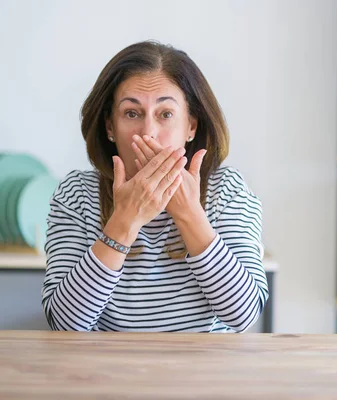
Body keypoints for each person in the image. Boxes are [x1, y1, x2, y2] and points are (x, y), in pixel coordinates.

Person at [41, 41, 269, 332]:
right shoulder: (76, 195)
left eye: (166, 114)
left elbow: (244, 316)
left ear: (191, 127)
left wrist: (189, 213)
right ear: (110, 127)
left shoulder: (227, 191)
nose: (148, 132)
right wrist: (124, 221)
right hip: (106, 374)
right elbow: (64, 324)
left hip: (203, 374)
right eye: (132, 114)